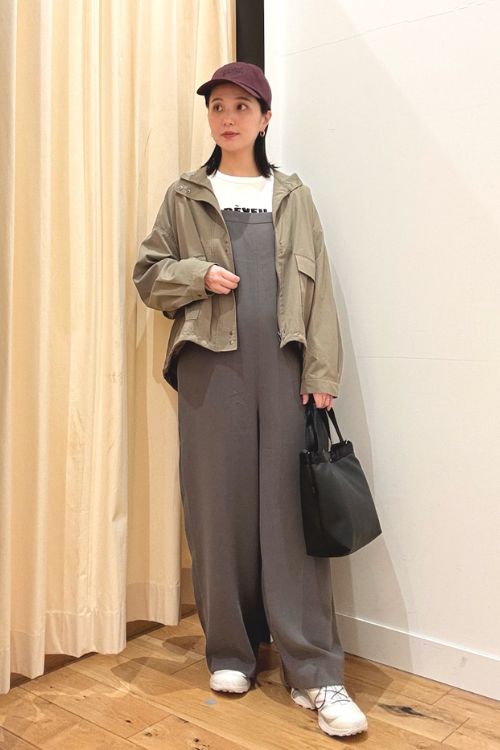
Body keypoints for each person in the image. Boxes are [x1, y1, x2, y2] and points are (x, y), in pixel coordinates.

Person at [133, 61, 368, 738]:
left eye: (242, 106)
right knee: (218, 511)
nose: (228, 117)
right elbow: (148, 274)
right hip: (210, 367)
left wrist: (322, 371)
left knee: (290, 515)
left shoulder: (293, 196)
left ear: (266, 118)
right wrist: (196, 274)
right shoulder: (187, 194)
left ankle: (315, 670)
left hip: (286, 367)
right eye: (218, 106)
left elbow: (319, 290)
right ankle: (231, 651)